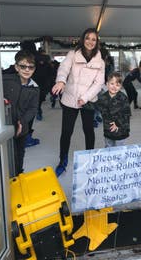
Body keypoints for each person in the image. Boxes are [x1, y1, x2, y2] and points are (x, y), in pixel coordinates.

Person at [51, 28, 105, 176]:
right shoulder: (73, 54)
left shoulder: (100, 61)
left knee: (88, 130)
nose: (90, 42)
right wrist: (61, 81)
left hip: (88, 100)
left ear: (97, 42)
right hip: (70, 99)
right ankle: (62, 160)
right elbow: (63, 68)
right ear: (83, 39)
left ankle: (90, 159)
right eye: (88, 38)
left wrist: (85, 98)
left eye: (94, 39)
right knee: (66, 131)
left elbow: (98, 83)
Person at [2, 50, 39, 176]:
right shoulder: (5, 81)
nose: (27, 70)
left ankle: (17, 175)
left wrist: (22, 122)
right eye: (23, 66)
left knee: (18, 156)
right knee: (4, 157)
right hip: (4, 126)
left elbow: (33, 109)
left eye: (30, 67)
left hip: (21, 130)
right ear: (16, 67)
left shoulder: (35, 88)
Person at [93, 72, 131, 147]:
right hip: (108, 129)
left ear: (121, 86)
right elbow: (98, 107)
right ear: (107, 84)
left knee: (119, 149)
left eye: (117, 85)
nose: (114, 87)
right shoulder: (103, 97)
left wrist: (117, 123)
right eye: (112, 84)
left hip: (121, 129)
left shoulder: (123, 98)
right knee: (108, 147)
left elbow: (126, 113)